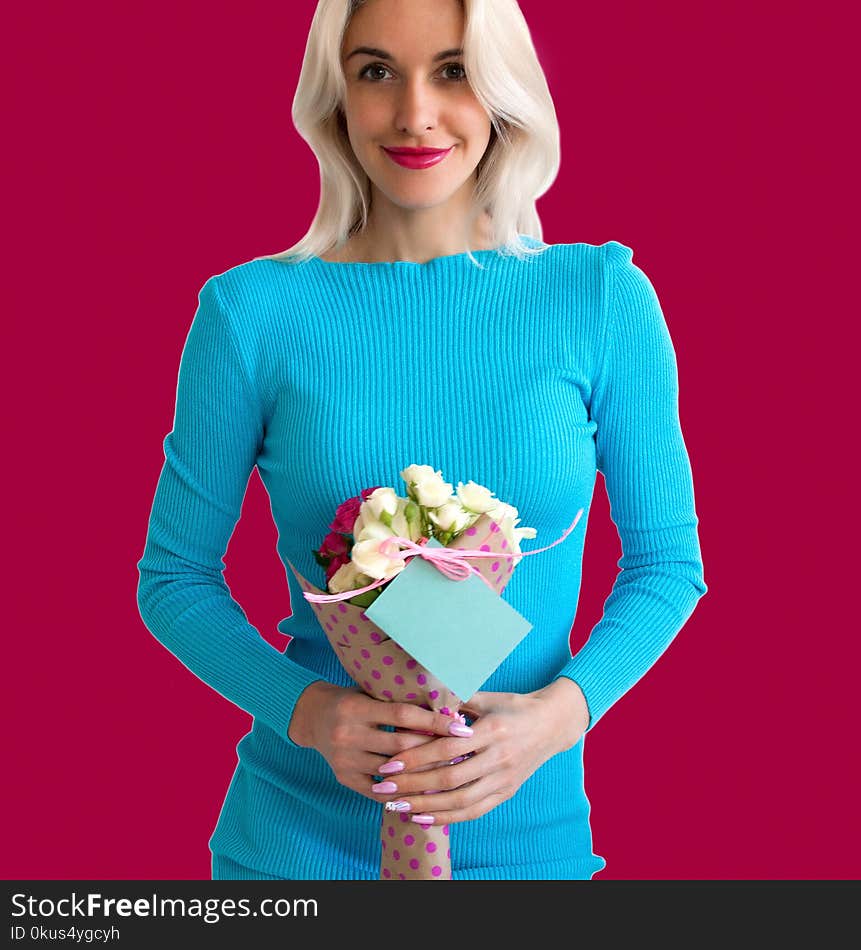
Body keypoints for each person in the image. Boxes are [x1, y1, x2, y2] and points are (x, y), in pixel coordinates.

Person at [136, 0, 708, 881]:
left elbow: (668, 563)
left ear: (502, 90)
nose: (414, 113)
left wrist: (559, 716)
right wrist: (310, 713)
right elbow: (173, 579)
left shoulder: (600, 299)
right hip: (295, 852)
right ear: (336, 96)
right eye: (376, 72)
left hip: (532, 845)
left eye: (452, 70)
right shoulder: (250, 315)